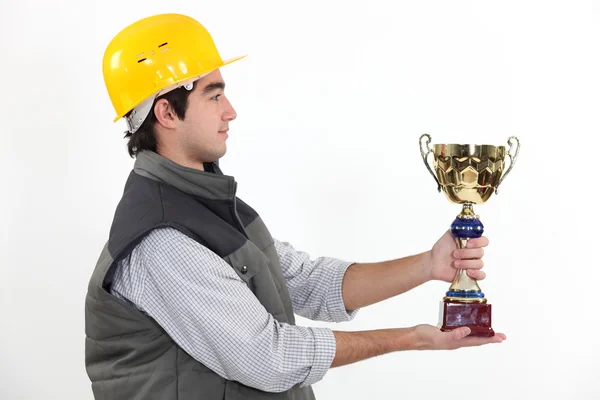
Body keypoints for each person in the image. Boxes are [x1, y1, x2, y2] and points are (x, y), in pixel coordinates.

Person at [84, 13, 506, 400]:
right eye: (214, 96)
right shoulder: (161, 240)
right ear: (167, 112)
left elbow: (309, 283)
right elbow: (268, 356)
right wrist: (412, 338)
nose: (231, 111)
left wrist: (430, 265)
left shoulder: (208, 205)